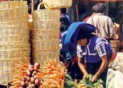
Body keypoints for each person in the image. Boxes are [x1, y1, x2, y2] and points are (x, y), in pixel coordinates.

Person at [63, 22, 116, 87]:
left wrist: (97, 75)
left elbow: (104, 61)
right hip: (90, 63)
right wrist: (85, 74)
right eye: (78, 42)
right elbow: (80, 62)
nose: (81, 42)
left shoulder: (98, 43)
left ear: (86, 37)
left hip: (103, 63)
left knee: (102, 82)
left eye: (82, 40)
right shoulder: (79, 46)